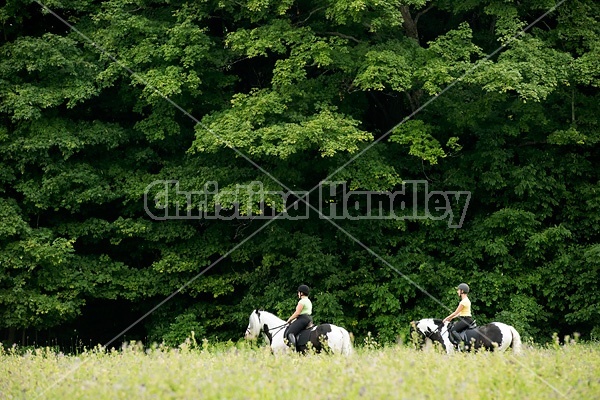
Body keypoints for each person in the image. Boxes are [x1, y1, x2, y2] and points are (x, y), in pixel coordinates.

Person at [285, 284, 313, 350]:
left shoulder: (302, 301)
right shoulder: (308, 301)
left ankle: (293, 350)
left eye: (298, 292)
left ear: (302, 293)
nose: (298, 294)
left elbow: (297, 313)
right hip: (309, 319)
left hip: (303, 319)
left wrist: (289, 319)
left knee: (290, 333)